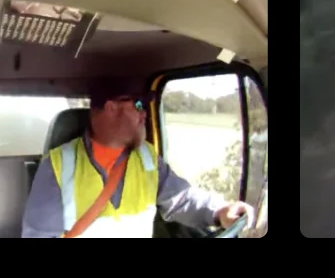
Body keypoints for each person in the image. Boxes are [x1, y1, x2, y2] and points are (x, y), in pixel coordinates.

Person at [21, 87, 253, 238]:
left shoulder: (147, 157)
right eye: (139, 105)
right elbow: (39, 235)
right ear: (112, 107)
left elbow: (181, 199)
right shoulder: (59, 164)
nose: (145, 114)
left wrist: (220, 210)